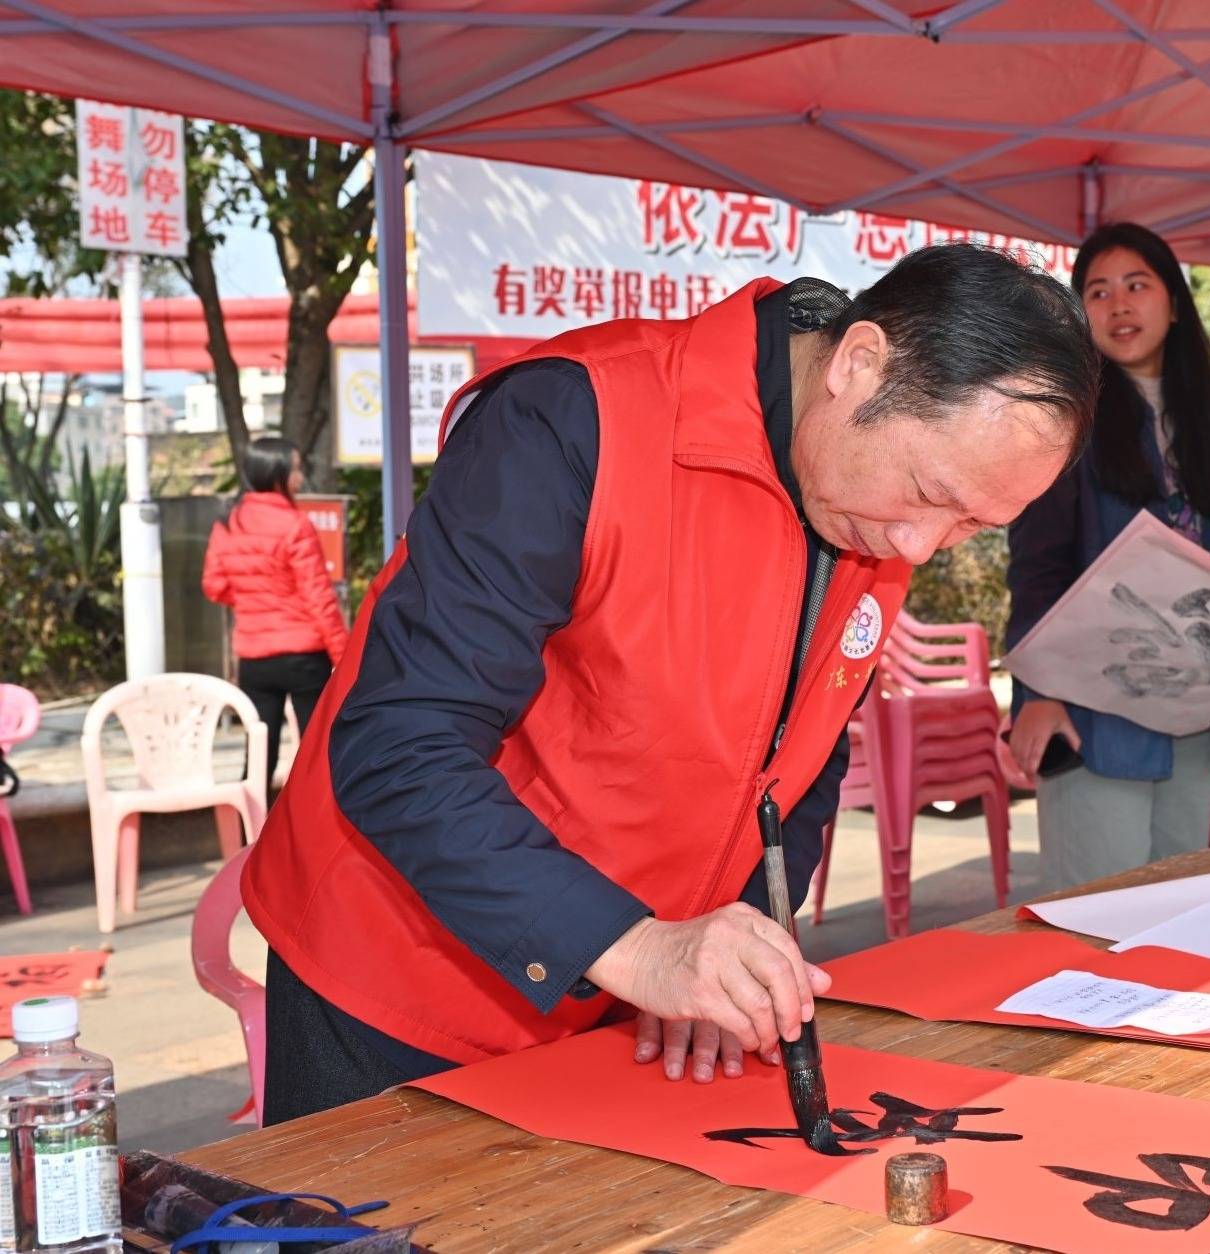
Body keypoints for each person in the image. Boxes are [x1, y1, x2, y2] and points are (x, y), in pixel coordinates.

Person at [241, 244, 1101, 1123]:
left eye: (971, 526)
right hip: (403, 975)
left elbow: (799, 755)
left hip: (626, 996)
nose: (922, 547)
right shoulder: (575, 417)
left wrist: (736, 938)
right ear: (858, 363)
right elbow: (401, 740)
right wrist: (634, 947)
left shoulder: (869, 509)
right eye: (929, 492)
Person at [1006, 223, 1210, 890]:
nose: (1119, 304)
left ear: (1174, 303)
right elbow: (1038, 566)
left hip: (1191, 706)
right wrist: (1036, 694)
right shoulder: (1064, 421)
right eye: (1097, 291)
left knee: (1177, 903)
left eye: (1136, 285)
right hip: (1094, 712)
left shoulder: (1200, 421)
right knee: (1101, 911)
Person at [201, 437, 348, 793]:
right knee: (318, 751)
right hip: (303, 657)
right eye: (295, 468)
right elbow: (319, 599)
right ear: (277, 473)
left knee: (258, 755)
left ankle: (250, 836)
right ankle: (316, 829)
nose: (300, 477)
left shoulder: (228, 524)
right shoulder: (295, 525)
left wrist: (256, 595)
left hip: (255, 659)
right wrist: (344, 656)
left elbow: (214, 586)